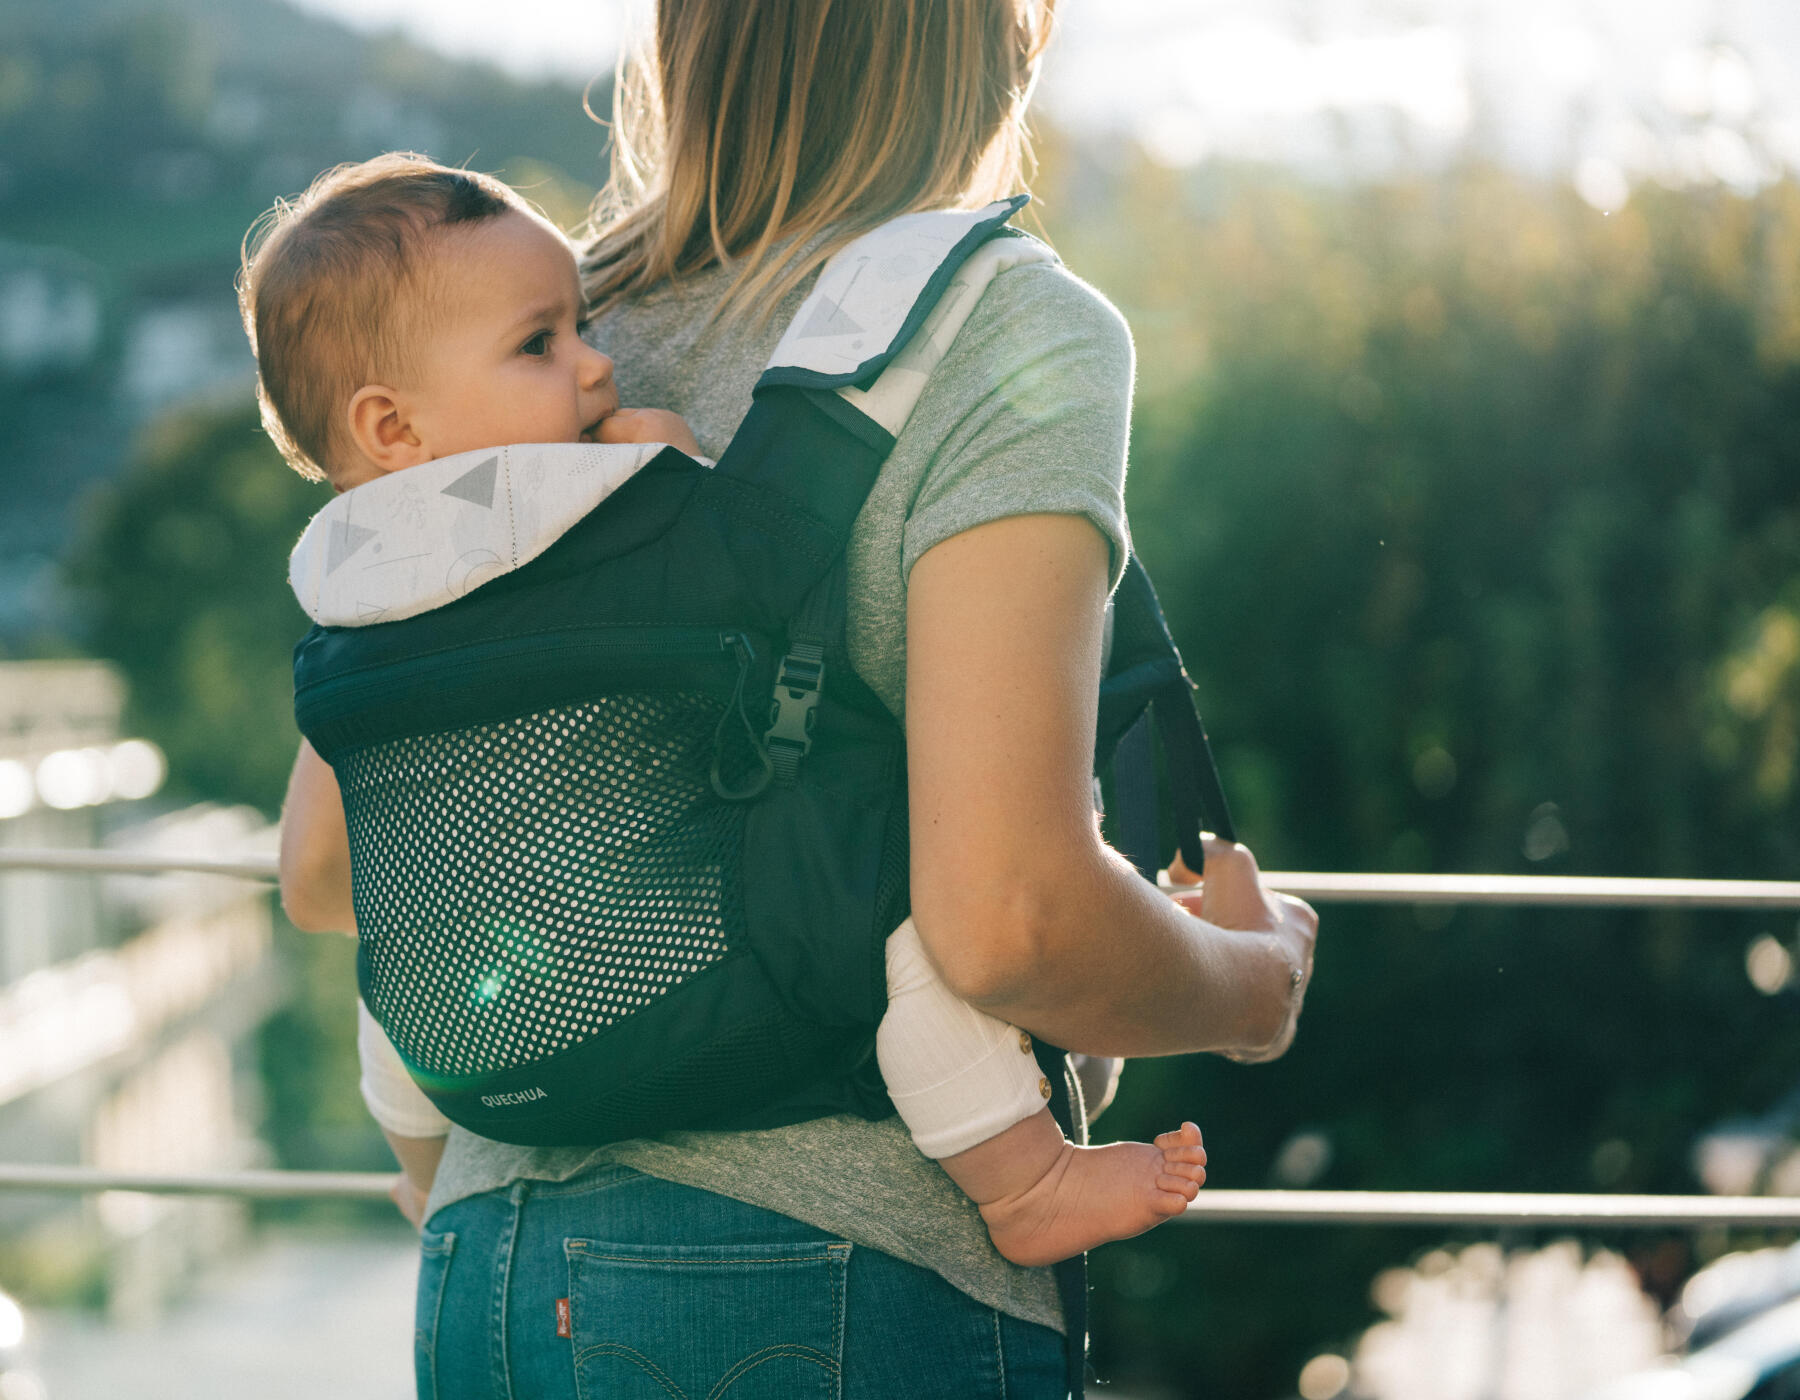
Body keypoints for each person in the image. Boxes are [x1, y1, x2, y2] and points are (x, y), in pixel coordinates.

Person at [277, 3, 1319, 1396]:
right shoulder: (997, 319)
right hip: (827, 1279)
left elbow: (338, 866)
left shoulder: (509, 332)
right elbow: (1005, 920)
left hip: (488, 1273)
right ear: (988, 44)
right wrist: (1252, 988)